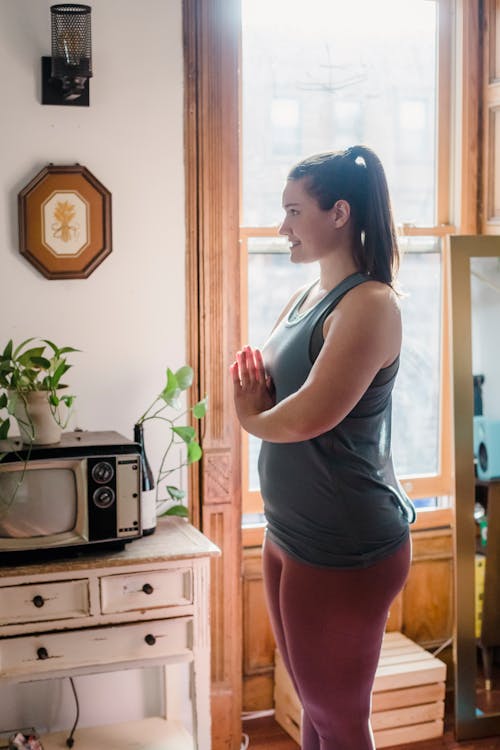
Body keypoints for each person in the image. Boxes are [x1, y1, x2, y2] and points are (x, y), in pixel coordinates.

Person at [230, 145, 416, 750]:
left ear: (339, 213)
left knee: (339, 722)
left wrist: (249, 415)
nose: (281, 226)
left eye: (292, 211)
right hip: (289, 531)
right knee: (315, 710)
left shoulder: (370, 304)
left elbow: (307, 417)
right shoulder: (306, 298)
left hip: (344, 543)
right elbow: (276, 395)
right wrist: (257, 401)